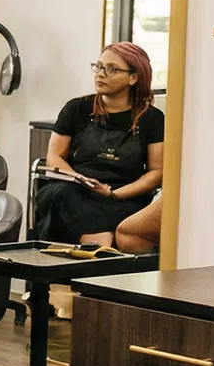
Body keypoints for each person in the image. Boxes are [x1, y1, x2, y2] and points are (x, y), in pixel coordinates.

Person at [34, 42, 164, 250]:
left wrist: (114, 193)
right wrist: (80, 179)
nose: (100, 74)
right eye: (99, 67)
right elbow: (54, 157)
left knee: (123, 213)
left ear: (133, 77)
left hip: (124, 195)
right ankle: (100, 249)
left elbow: (157, 172)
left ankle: (94, 252)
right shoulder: (76, 109)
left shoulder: (153, 119)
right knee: (58, 193)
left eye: (111, 69)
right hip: (77, 190)